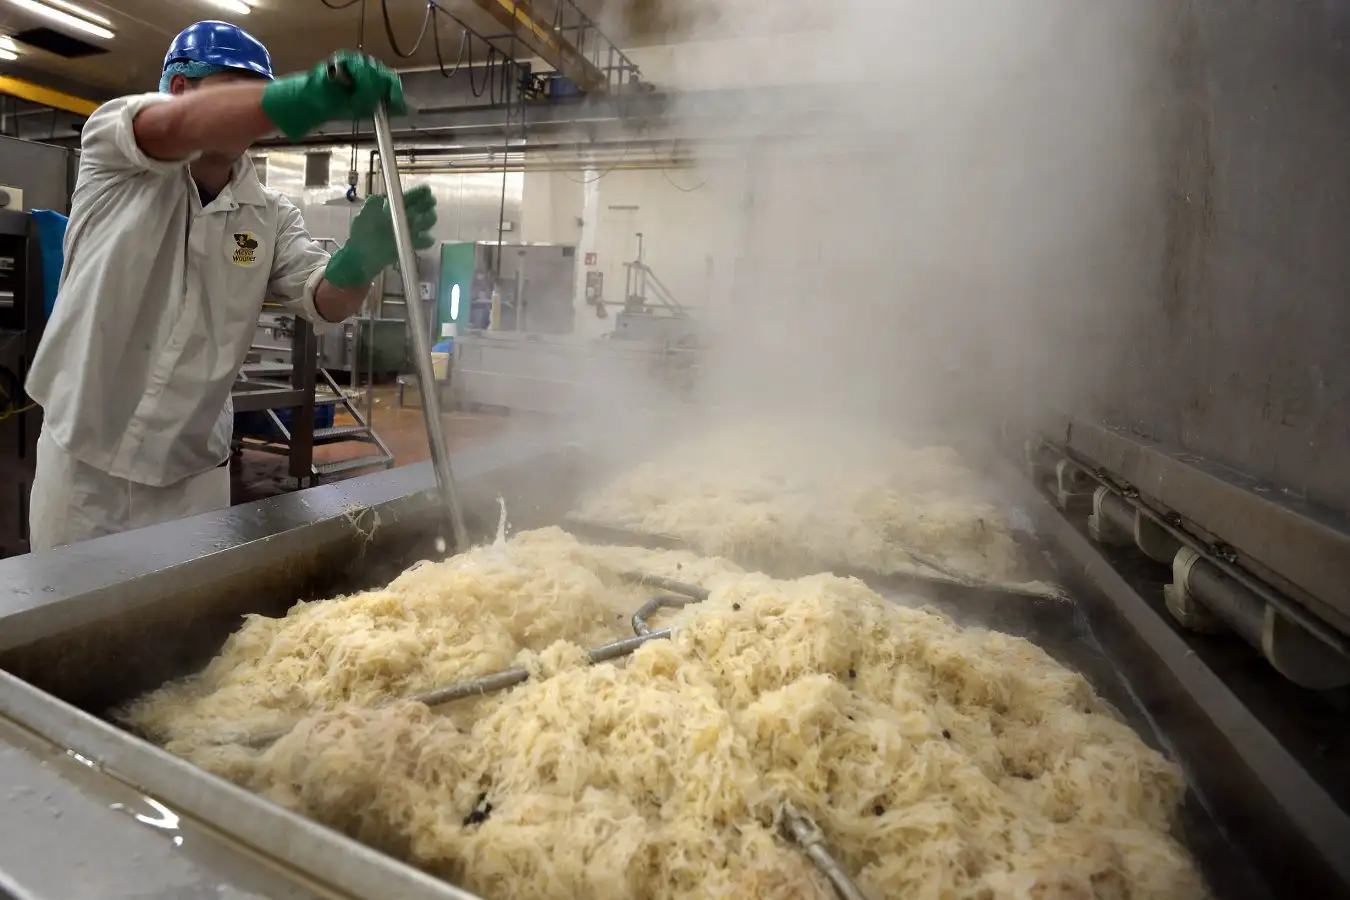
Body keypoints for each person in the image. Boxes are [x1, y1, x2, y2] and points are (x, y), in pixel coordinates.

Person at [25, 21, 438, 551]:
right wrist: (298, 95)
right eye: (239, 91)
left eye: (260, 90)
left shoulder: (268, 215)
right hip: (86, 470)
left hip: (192, 477)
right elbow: (179, 127)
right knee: (68, 627)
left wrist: (360, 262)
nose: (255, 110)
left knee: (187, 628)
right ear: (178, 89)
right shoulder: (118, 152)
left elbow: (325, 302)